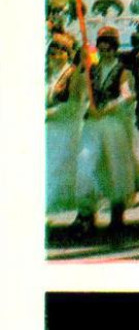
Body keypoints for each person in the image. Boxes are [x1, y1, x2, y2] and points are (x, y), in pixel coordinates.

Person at [75, 26, 137, 232]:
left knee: (115, 167)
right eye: (101, 48)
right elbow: (82, 97)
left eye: (109, 48)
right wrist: (88, 108)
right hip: (93, 125)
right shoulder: (90, 71)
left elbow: (127, 94)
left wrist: (111, 106)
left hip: (113, 124)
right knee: (85, 163)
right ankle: (87, 212)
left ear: (115, 49)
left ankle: (117, 211)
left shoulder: (123, 70)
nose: (105, 52)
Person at [45, 32, 86, 221]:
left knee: (65, 167)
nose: (53, 57)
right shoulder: (47, 74)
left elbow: (73, 104)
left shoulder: (72, 74)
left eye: (57, 53)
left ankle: (79, 213)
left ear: (67, 54)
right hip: (50, 129)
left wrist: (48, 114)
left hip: (68, 127)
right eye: (50, 53)